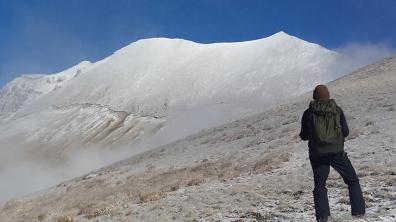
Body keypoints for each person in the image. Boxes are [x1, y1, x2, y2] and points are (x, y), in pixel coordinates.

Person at [299, 85, 365, 222]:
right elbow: (346, 132)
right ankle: (358, 213)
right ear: (328, 95)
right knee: (352, 180)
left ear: (314, 96)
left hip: (317, 155)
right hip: (337, 153)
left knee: (320, 185)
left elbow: (304, 136)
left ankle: (323, 217)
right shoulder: (337, 110)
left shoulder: (308, 113)